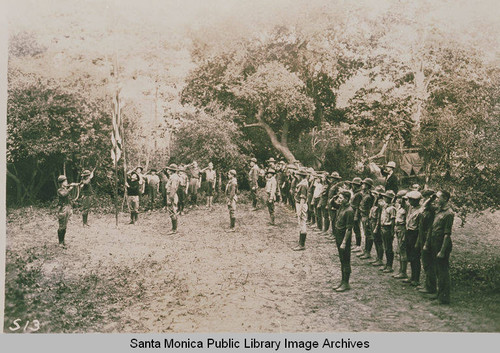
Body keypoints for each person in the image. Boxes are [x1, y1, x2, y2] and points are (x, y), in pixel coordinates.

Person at [424, 190, 454, 304]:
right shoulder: (438, 210)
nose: (436, 199)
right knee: (437, 270)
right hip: (434, 243)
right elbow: (425, 206)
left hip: (442, 244)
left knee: (443, 271)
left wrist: (442, 251)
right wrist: (431, 198)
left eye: (438, 197)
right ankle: (439, 294)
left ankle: (444, 298)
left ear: (445, 198)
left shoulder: (448, 213)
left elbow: (447, 234)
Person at [333, 190, 355, 292]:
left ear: (346, 199)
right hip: (339, 237)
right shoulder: (342, 207)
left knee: (346, 260)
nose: (339, 200)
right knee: (342, 260)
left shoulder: (349, 211)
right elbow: (332, 203)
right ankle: (343, 281)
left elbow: (349, 229)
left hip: (343, 238)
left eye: (341, 198)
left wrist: (344, 242)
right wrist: (335, 197)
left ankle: (346, 283)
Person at [417, 189, 437, 294]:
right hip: (422, 236)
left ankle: (431, 287)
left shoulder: (433, 209)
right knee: (425, 262)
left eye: (426, 197)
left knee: (429, 263)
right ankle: (427, 285)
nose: (424, 199)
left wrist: (430, 200)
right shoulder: (425, 209)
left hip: (428, 238)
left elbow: (430, 228)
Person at [404, 190, 423, 286]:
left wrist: (418, 242)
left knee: (415, 257)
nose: (409, 201)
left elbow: (420, 228)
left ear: (417, 201)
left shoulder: (420, 211)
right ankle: (412, 277)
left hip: (415, 234)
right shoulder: (411, 208)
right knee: (410, 256)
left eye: (411, 200)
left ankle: (416, 278)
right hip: (408, 233)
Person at [56, 175, 80, 248]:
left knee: (65, 226)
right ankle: (60, 243)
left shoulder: (65, 189)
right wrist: (70, 188)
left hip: (67, 208)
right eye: (65, 181)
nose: (66, 182)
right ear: (62, 183)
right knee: (61, 226)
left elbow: (69, 199)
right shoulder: (60, 190)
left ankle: (63, 241)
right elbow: (64, 194)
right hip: (62, 209)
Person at [393, 190, 409, 279]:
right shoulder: (399, 207)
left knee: (403, 250)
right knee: (399, 250)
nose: (397, 199)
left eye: (399, 198)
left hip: (403, 228)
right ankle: (401, 270)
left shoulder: (407, 208)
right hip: (398, 228)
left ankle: (403, 271)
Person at [379, 190, 396, 273]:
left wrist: (392, 231)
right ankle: (387, 264)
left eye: (386, 197)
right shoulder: (385, 206)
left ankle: (390, 265)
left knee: (389, 248)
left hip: (388, 228)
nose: (384, 198)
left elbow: (393, 221)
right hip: (383, 227)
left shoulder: (392, 208)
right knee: (386, 247)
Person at [358, 178, 374, 258]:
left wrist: (368, 218)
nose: (362, 185)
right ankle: (365, 251)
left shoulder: (369, 196)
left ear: (367, 186)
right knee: (366, 234)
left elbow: (369, 208)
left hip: (366, 216)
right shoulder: (364, 194)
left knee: (368, 235)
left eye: (364, 184)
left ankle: (368, 252)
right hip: (363, 215)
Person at [292, 169, 309, 251]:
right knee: (301, 223)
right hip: (299, 204)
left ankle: (302, 244)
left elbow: (302, 198)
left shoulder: (303, 185)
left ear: (301, 176)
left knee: (302, 223)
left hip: (301, 205)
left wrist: (299, 211)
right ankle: (301, 243)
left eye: (298, 174)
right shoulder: (303, 183)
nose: (297, 176)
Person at [165, 164, 180, 234]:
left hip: (172, 195)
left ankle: (174, 229)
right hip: (171, 194)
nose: (168, 170)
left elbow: (173, 188)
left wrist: (170, 199)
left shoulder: (174, 177)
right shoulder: (173, 176)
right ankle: (174, 228)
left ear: (172, 170)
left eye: (169, 169)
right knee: (172, 211)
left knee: (172, 211)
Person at [327, 172, 343, 236]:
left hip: (334, 203)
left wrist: (335, 203)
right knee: (332, 218)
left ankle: (335, 234)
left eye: (333, 178)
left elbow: (338, 195)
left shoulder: (337, 186)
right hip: (330, 202)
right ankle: (333, 233)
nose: (331, 179)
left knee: (334, 219)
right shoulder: (332, 185)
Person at [350, 177, 363, 252]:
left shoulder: (358, 194)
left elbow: (358, 206)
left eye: (354, 185)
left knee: (357, 229)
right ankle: (357, 244)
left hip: (356, 213)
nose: (352, 186)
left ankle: (358, 245)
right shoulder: (356, 193)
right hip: (353, 211)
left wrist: (355, 216)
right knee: (355, 229)